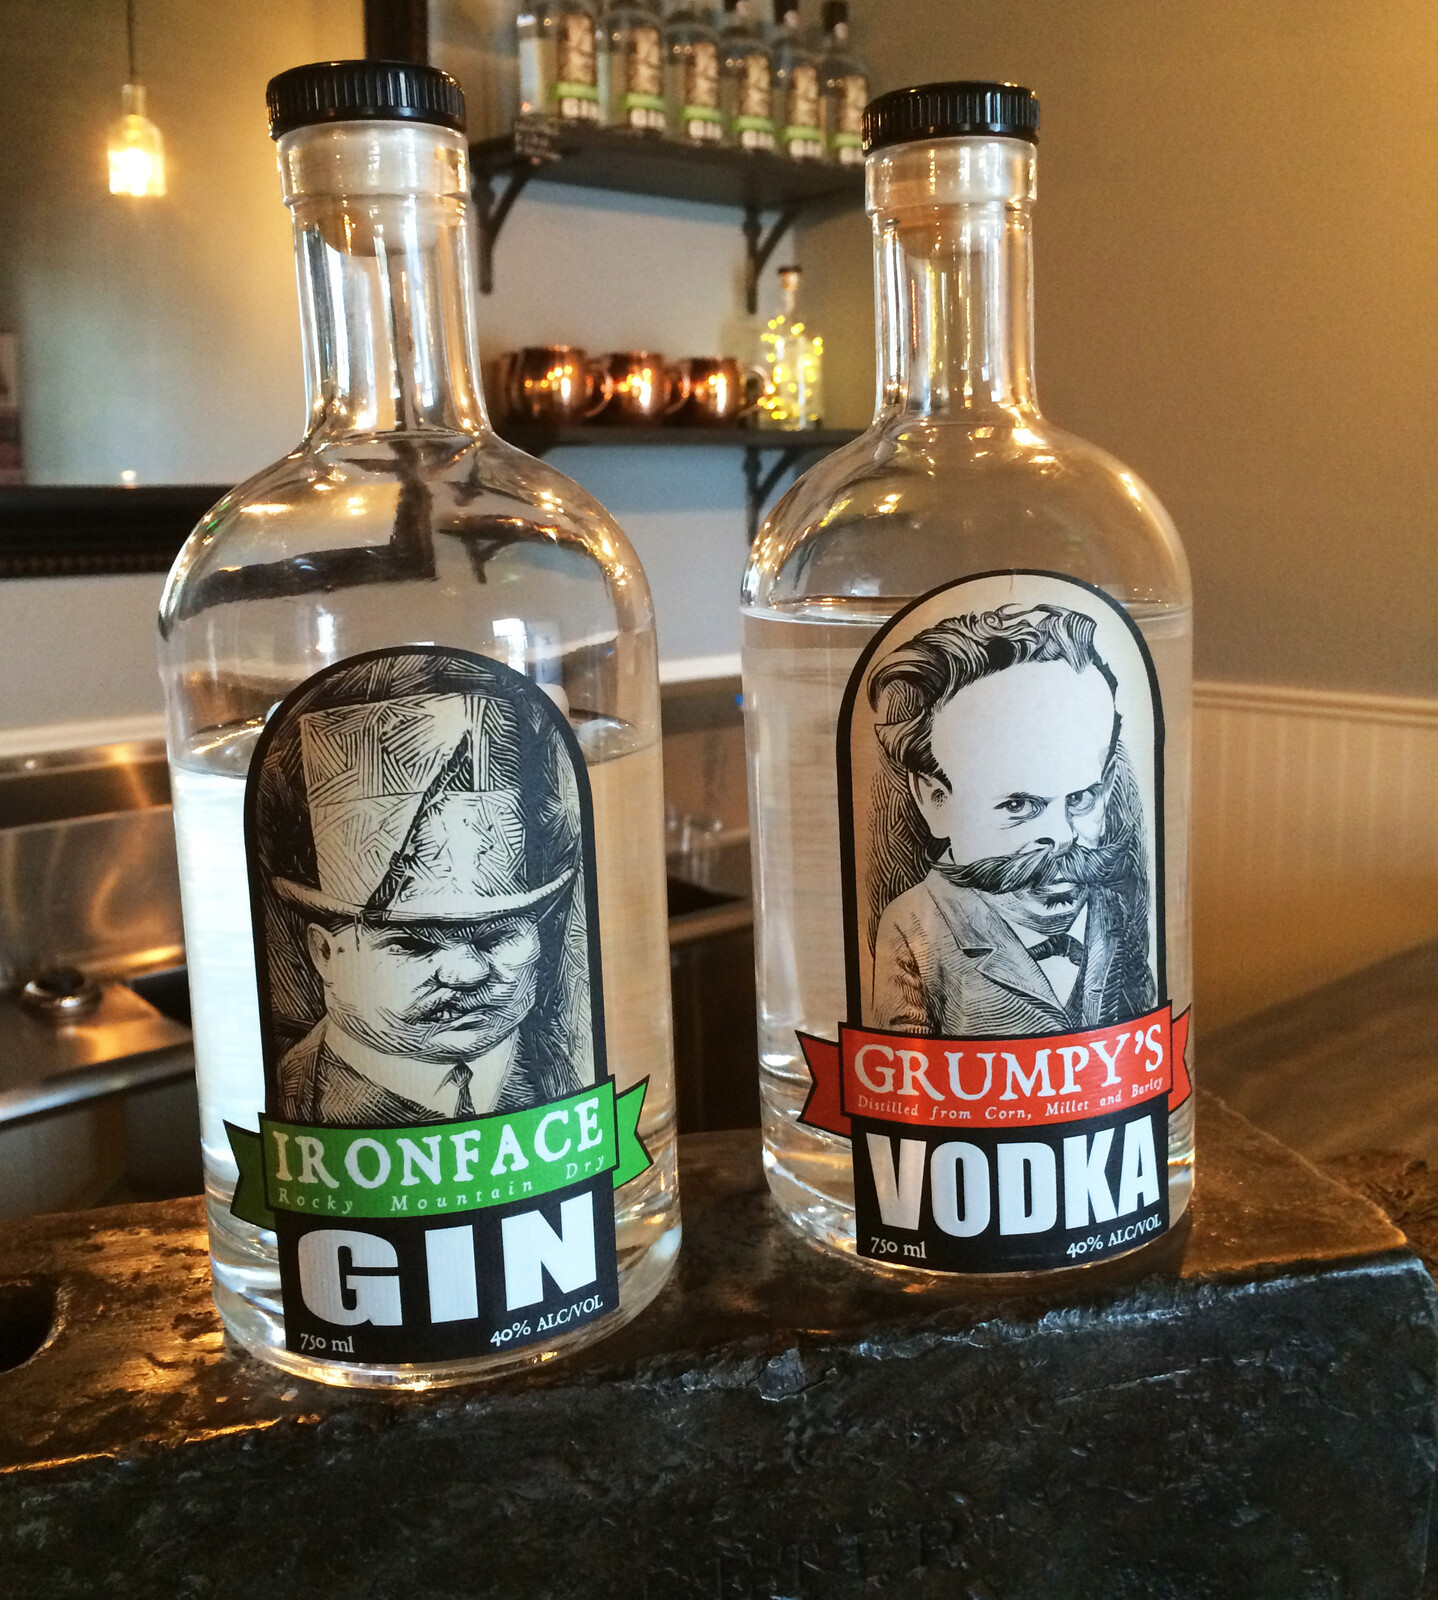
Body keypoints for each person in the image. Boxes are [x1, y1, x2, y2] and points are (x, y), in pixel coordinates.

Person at [269, 690, 586, 1124]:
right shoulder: (290, 1091)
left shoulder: (568, 1066)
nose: (467, 973)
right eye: (413, 944)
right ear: (324, 953)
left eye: (496, 936)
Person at [866, 603, 1155, 1037]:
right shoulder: (913, 928)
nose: (1060, 837)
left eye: (1080, 799)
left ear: (1107, 785)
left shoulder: (1114, 912)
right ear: (935, 800)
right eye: (1019, 806)